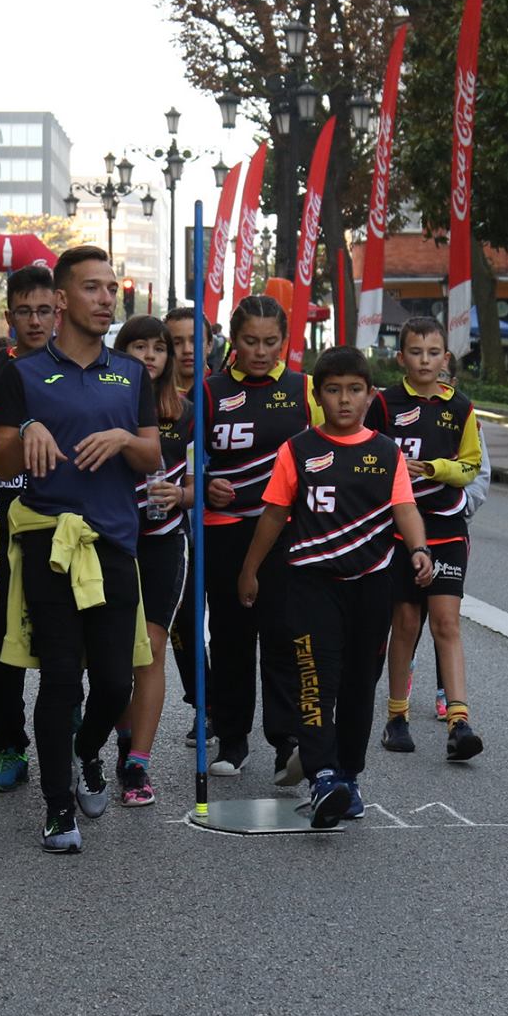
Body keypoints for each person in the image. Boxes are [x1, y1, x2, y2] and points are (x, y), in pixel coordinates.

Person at [0, 246, 161, 854]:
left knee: (114, 683)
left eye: (111, 288)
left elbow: (153, 454)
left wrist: (122, 440)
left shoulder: (132, 374)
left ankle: (89, 751)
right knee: (62, 676)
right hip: (49, 541)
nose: (106, 298)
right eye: (92, 287)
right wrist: (28, 429)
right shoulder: (22, 374)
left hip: (114, 541)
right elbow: (2, 459)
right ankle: (58, 808)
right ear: (62, 299)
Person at [237, 347, 434, 829]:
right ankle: (322, 775)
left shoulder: (386, 452)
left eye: (354, 390)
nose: (344, 400)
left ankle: (349, 774)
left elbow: (405, 508)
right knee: (314, 680)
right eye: (333, 390)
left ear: (369, 395)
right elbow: (274, 514)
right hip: (311, 585)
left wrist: (419, 549)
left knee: (359, 685)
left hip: (371, 586)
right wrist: (250, 569)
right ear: (318, 396)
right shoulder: (298, 450)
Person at [200, 295, 322, 782]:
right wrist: (204, 482)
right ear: (234, 339)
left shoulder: (302, 388)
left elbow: (329, 448)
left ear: (284, 341)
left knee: (282, 635)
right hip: (225, 530)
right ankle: (232, 738)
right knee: (230, 636)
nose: (261, 351)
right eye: (250, 341)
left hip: (286, 532)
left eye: (271, 342)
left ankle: (285, 740)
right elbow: (186, 459)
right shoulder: (210, 392)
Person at [369, 316, 485, 762]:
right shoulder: (385, 403)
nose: (424, 361)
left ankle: (459, 721)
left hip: (446, 526)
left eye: (433, 353)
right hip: (399, 527)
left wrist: (437, 469)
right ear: (401, 358)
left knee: (446, 622)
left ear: (446, 358)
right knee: (405, 621)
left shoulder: (462, 407)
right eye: (416, 352)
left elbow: (471, 465)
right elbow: (368, 453)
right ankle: (396, 716)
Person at [0, 265, 58, 793]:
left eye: (44, 310)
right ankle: (9, 743)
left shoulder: (75, 367)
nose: (35, 321)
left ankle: (69, 732)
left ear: (58, 311)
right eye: (25, 311)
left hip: (58, 523)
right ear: (9, 316)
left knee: (61, 638)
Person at [109, 315, 193, 807]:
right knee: (115, 653)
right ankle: (123, 738)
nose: (149, 355)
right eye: (138, 346)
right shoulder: (105, 404)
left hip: (163, 543)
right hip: (114, 542)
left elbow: (202, 482)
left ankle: (138, 762)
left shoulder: (186, 412)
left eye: (158, 348)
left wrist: (181, 495)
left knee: (152, 648)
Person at [163, 306, 209, 746]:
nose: (187, 350)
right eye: (176, 342)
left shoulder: (222, 393)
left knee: (230, 627)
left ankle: (232, 710)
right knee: (184, 621)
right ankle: (203, 705)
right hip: (177, 529)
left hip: (227, 525)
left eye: (195, 340)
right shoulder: (153, 398)